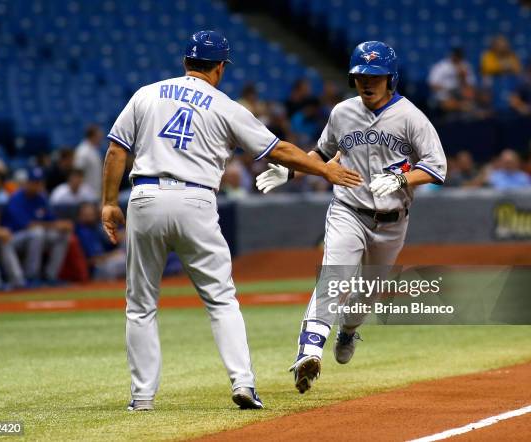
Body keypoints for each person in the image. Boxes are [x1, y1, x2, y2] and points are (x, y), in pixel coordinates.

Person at [101, 30, 361, 411]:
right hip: (196, 198)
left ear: (185, 62)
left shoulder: (147, 93)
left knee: (141, 305)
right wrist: (325, 171)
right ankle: (243, 383)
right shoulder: (225, 106)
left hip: (145, 197)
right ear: (220, 67)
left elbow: (115, 150)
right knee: (221, 300)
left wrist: (109, 201)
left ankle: (142, 399)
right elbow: (281, 150)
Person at [256, 41, 447, 394]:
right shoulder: (342, 113)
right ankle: (309, 352)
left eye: (375, 76)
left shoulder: (411, 117)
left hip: (393, 220)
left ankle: (348, 329)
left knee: (368, 293)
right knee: (335, 276)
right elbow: (323, 153)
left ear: (391, 78)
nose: (366, 82)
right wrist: (293, 172)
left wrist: (404, 178)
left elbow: (437, 168)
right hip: (348, 210)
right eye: (360, 76)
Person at [1, 167, 72, 283]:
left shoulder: (41, 198)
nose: (37, 186)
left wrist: (60, 225)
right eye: (34, 183)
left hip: (37, 235)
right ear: (27, 183)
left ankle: (51, 276)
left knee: (63, 235)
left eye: (39, 183)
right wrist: (53, 225)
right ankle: (32, 276)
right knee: (37, 233)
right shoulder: (16, 198)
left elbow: (51, 220)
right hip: (15, 237)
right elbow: (29, 225)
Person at [75, 202, 125, 279]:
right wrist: (113, 254)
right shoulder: (82, 232)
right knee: (127, 261)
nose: (90, 217)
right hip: (96, 269)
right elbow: (93, 260)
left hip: (106, 261)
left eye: (91, 214)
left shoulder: (96, 228)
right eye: (86, 215)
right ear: (79, 216)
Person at [428, 48, 478, 116]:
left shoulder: (465, 66)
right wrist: (447, 88)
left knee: (471, 94)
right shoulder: (441, 66)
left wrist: (463, 77)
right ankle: (461, 107)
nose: (457, 58)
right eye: (456, 56)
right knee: (447, 101)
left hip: (459, 93)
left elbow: (470, 86)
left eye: (459, 56)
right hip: (444, 93)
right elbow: (432, 85)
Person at [74, 125, 104, 199]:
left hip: (95, 192)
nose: (100, 138)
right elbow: (77, 172)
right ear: (93, 136)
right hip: (85, 195)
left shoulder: (94, 151)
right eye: (99, 136)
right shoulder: (83, 151)